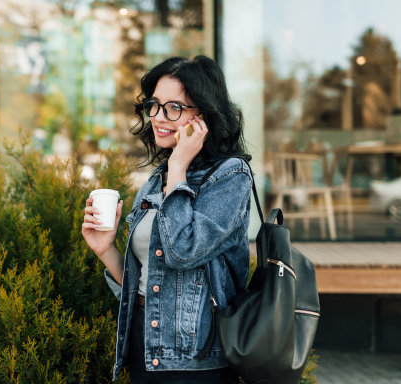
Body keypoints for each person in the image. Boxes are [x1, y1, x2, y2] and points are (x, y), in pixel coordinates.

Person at [82, 55, 252, 383]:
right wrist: (106, 250)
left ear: (202, 116)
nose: (159, 117)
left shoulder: (230, 176)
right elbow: (142, 284)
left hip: (196, 361)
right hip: (144, 350)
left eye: (174, 107)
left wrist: (178, 166)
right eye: (155, 104)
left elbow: (182, 251)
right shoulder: (155, 181)